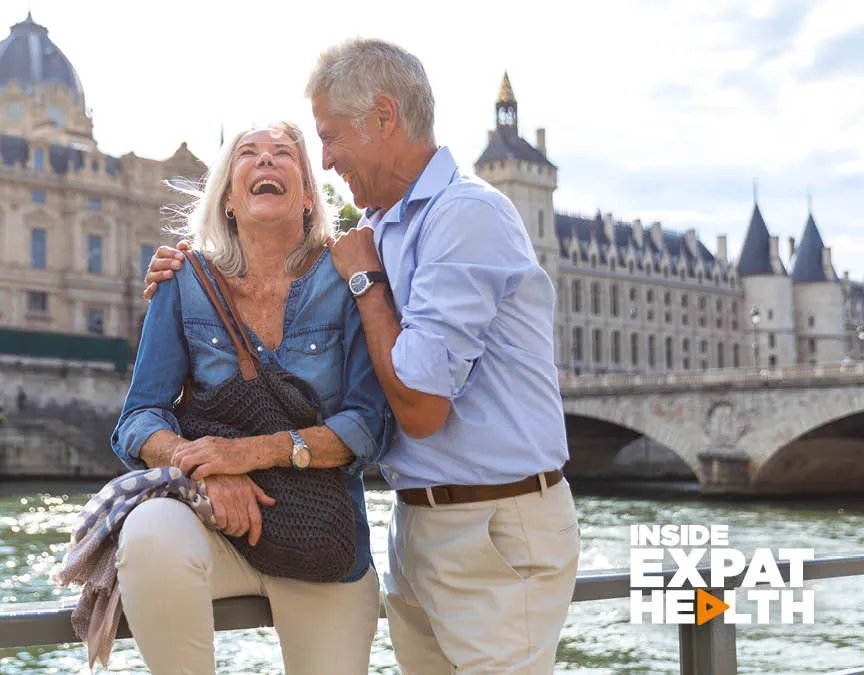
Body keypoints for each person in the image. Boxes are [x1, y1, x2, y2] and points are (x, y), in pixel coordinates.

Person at [144, 39, 579, 675]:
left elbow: (421, 408)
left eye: (329, 136)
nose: (326, 159)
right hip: (421, 523)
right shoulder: (380, 226)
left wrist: (368, 283)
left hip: (496, 525)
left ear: (382, 118)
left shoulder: (465, 216)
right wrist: (184, 272)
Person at [111, 122, 393, 674]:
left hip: (324, 542)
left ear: (310, 195)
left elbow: (368, 429)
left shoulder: (348, 279)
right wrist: (206, 471)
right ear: (227, 197)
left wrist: (246, 454)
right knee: (147, 533)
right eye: (250, 154)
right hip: (215, 529)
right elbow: (138, 418)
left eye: (285, 154)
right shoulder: (184, 279)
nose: (267, 161)